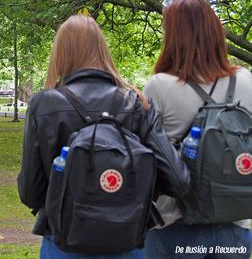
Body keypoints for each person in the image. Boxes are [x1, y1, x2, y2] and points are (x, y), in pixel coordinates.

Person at [17, 14, 190, 259]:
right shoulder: (137, 103)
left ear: (60, 53)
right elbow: (177, 179)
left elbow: (30, 192)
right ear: (102, 49)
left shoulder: (44, 104)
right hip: (126, 242)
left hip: (64, 242)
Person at [143, 0, 252, 259]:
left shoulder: (159, 85)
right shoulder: (245, 80)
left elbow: (149, 157)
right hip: (235, 223)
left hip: (175, 224)